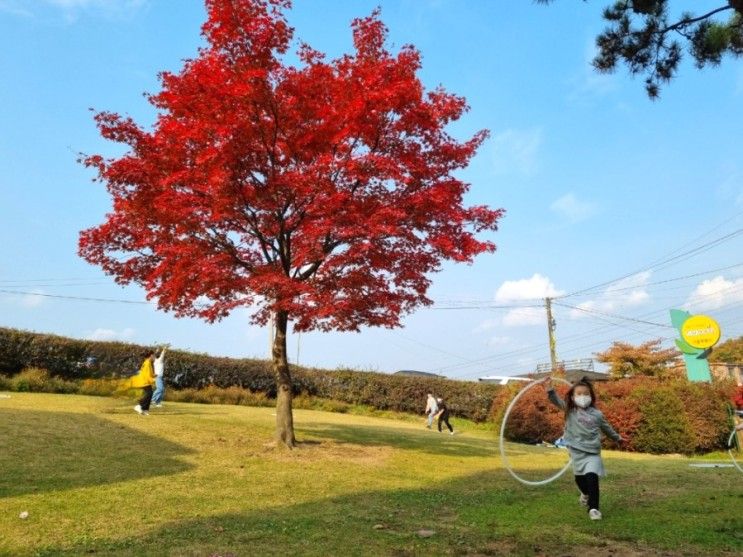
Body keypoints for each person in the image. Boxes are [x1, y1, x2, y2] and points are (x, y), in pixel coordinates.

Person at [541, 376, 622, 521]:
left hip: (592, 453)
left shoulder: (597, 414)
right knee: (580, 480)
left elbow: (607, 428)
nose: (583, 397)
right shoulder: (569, 411)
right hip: (576, 452)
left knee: (592, 478)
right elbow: (556, 401)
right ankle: (585, 493)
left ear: (591, 396)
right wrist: (550, 390)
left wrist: (617, 438)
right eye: (579, 394)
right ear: (572, 397)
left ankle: (594, 509)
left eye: (586, 394)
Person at [132, 350, 156, 416]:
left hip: (145, 381)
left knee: (150, 393)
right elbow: (147, 375)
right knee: (149, 393)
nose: (154, 357)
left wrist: (154, 375)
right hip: (144, 381)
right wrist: (154, 380)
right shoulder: (148, 363)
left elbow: (149, 373)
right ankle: (139, 405)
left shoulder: (147, 362)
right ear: (151, 355)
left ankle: (145, 410)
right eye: (154, 355)